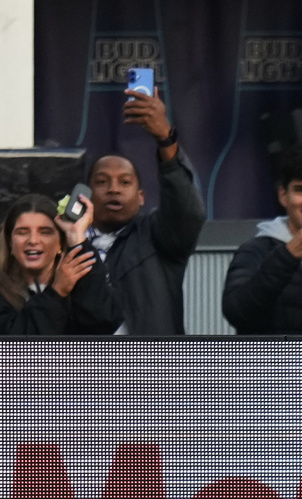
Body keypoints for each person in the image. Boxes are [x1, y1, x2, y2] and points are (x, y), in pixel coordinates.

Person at [86, 87, 205, 335]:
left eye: (125, 182)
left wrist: (166, 138)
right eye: (102, 181)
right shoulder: (69, 242)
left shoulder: (156, 235)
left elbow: (187, 212)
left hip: (148, 368)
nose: (113, 190)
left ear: (141, 197)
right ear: (86, 195)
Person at [222, 143, 302, 334]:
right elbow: (238, 312)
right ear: (283, 195)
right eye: (301, 189)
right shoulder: (257, 249)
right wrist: (288, 255)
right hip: (274, 362)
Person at [0, 193, 122, 335]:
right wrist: (56, 292)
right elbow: (15, 346)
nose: (33, 240)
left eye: (45, 232)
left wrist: (76, 238)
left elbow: (103, 324)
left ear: (60, 243)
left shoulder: (80, 284)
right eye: (22, 232)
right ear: (10, 242)